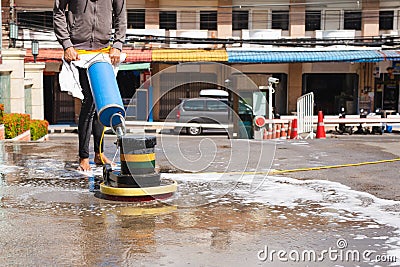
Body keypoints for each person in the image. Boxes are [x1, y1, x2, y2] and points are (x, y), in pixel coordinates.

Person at [53, 0, 127, 171]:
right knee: (90, 101)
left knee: (100, 104)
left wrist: (117, 44)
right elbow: (58, 11)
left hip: (104, 51)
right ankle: (84, 156)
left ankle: (98, 154)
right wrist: (67, 44)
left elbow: (121, 14)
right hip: (79, 52)